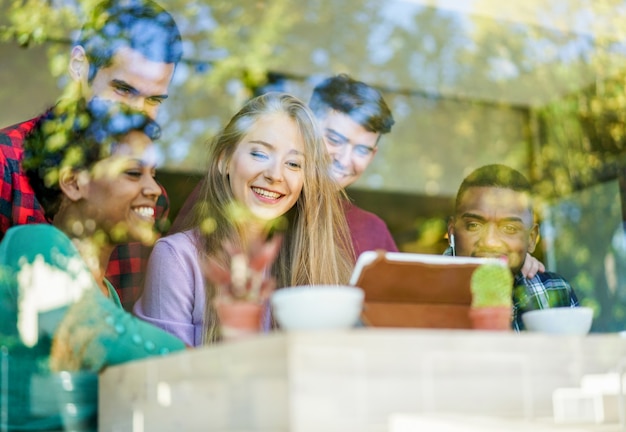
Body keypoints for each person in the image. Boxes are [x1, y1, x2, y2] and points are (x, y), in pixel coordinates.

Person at [0, 99, 186, 430]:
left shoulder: (107, 294)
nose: (155, 189)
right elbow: (117, 344)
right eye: (133, 172)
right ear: (73, 183)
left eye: (153, 175)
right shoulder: (33, 246)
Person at [0, 0, 183, 311]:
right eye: (124, 90)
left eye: (153, 99)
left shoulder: (150, 204)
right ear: (79, 67)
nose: (136, 112)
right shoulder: (5, 164)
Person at [134, 92, 354, 346]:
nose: (275, 175)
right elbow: (167, 376)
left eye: (294, 164)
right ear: (223, 160)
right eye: (260, 154)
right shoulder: (177, 258)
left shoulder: (322, 267)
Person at [169, 74, 398, 257]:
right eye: (334, 140)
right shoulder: (242, 195)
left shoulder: (372, 231)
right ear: (306, 128)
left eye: (362, 150)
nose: (345, 160)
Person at [446, 164, 579, 331]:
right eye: (473, 225)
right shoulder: (424, 294)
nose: (490, 242)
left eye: (510, 229)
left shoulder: (556, 292)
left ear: (531, 239)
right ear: (452, 232)